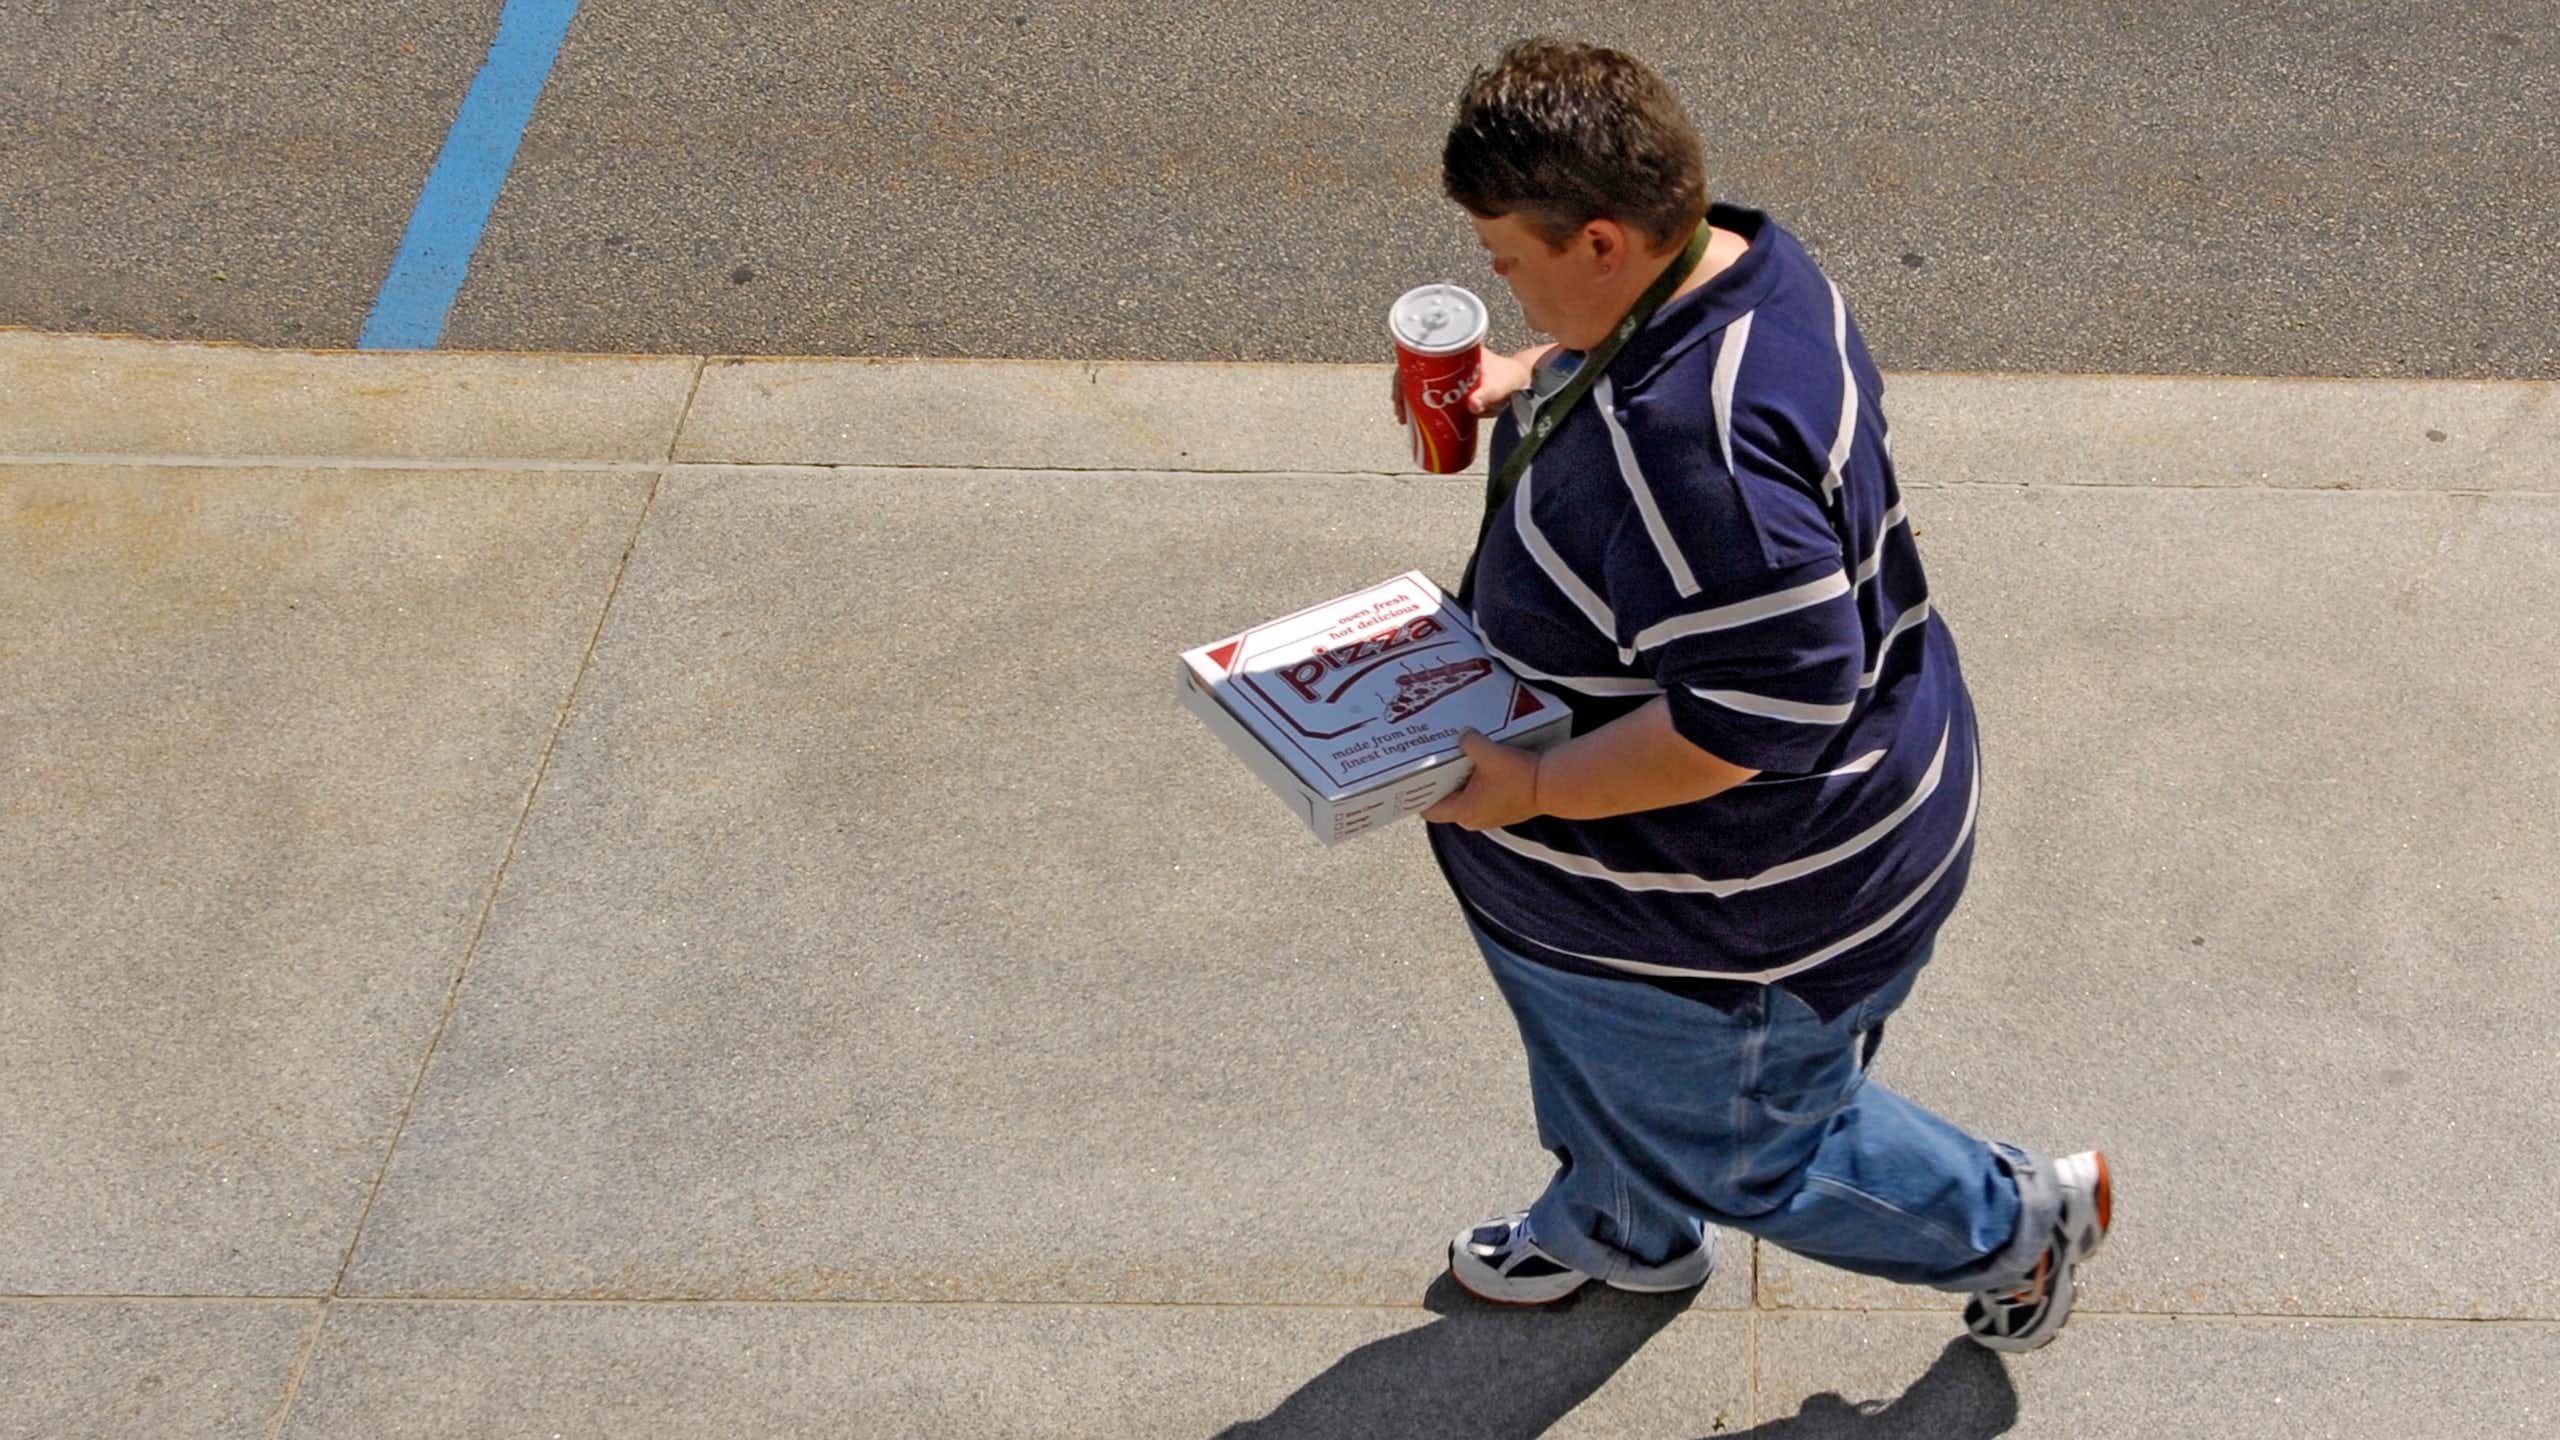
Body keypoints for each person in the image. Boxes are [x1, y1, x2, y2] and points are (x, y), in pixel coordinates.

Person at [1398, 38, 2110, 1352]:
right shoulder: (1739, 270)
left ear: (1603, 241)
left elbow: (1763, 715)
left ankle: (2016, 1225)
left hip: (1739, 926)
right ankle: (1625, 1223)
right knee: (1621, 1078)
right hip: (1675, 902)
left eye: (1508, 258)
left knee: (1758, 1153)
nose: (1496, 281)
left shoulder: (1695, 451)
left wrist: (1539, 788)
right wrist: (1537, 377)